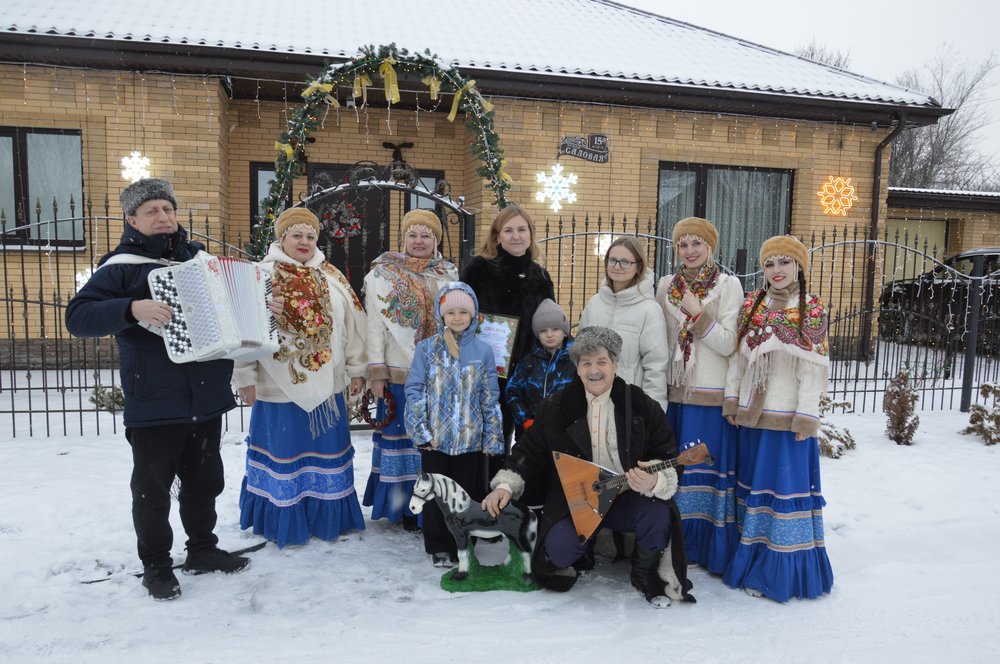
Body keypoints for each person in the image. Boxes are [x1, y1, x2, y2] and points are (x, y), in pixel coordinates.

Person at [66, 178, 249, 601]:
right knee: (152, 490)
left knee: (205, 482)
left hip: (205, 395)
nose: (163, 217)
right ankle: (156, 565)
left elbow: (235, 309)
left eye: (167, 209)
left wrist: (261, 307)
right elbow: (78, 317)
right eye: (152, 211)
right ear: (132, 220)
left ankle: (202, 549)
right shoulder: (121, 267)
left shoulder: (200, 260)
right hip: (154, 400)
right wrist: (132, 308)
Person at [482, 327, 695, 608]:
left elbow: (665, 452)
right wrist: (506, 485)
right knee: (558, 553)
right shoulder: (557, 406)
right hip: (577, 501)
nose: (594, 371)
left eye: (601, 362)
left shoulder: (641, 405)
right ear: (578, 368)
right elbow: (528, 451)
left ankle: (644, 571)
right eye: (586, 363)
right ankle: (584, 547)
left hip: (626, 499)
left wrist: (654, 481)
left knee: (658, 514)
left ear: (615, 364)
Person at [233, 207, 368, 548]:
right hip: (278, 387)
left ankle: (326, 517)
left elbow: (352, 326)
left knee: (326, 453)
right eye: (296, 235)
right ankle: (283, 519)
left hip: (329, 389)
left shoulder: (331, 276)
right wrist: (244, 376)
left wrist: (356, 369)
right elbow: (244, 330)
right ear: (281, 239)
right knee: (286, 454)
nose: (304, 241)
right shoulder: (261, 275)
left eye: (310, 236)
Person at [722, 234, 834, 602]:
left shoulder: (810, 308)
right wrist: (732, 402)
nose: (776, 270)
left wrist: (806, 416)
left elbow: (813, 369)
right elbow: (737, 360)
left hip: (786, 421)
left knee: (781, 493)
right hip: (751, 419)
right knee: (754, 491)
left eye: (784, 261)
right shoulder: (752, 304)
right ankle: (751, 561)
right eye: (769, 263)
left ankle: (778, 572)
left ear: (799, 265)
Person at [655, 217, 743, 574]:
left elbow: (729, 344)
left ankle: (708, 547)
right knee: (678, 473)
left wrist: (698, 314)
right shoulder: (665, 286)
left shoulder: (728, 285)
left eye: (697, 243)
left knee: (705, 471)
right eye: (683, 244)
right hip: (674, 397)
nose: (689, 251)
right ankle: (678, 544)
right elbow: (659, 338)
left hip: (709, 397)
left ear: (710, 247)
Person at [361, 209, 458, 530]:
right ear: (404, 239)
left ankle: (429, 508)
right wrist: (377, 373)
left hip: (437, 375)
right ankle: (402, 507)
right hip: (399, 373)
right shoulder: (383, 274)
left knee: (429, 445)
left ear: (436, 240)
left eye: (426, 235)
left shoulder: (449, 275)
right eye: (413, 235)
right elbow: (375, 326)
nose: (419, 241)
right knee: (401, 442)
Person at [404, 281, 504, 567]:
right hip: (435, 442)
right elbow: (414, 391)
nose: (457, 317)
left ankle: (463, 543)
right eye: (451, 312)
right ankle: (439, 546)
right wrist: (421, 433)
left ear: (473, 315)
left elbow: (489, 396)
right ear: (441, 315)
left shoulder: (483, 351)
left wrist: (492, 438)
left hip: (470, 442)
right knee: (437, 496)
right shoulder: (427, 349)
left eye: (463, 312)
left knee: (465, 496)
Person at [460, 204, 555, 451]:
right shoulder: (479, 268)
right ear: (497, 236)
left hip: (526, 376)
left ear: (531, 234)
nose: (516, 236)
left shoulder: (540, 276)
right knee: (488, 445)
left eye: (522, 230)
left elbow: (549, 324)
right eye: (508, 230)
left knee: (527, 446)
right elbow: (459, 315)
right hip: (486, 374)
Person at [579, 237, 669, 412]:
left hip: (629, 406)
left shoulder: (649, 310)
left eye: (625, 262)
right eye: (613, 260)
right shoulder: (594, 304)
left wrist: (651, 414)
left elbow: (655, 367)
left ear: (638, 267)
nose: (617, 266)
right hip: (592, 404)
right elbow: (580, 355)